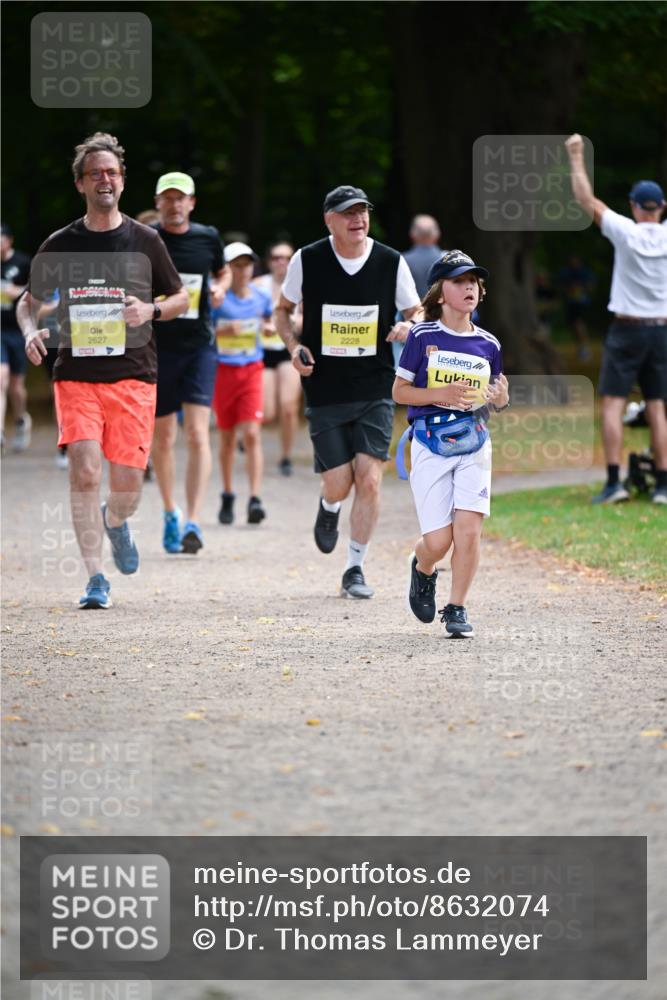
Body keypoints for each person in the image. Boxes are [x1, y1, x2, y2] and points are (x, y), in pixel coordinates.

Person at [17, 132, 188, 609]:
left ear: (122, 181)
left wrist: (150, 312)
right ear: (80, 184)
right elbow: (28, 304)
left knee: (126, 486)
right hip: (75, 375)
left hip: (134, 375)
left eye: (111, 172)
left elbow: (180, 299)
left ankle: (116, 522)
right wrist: (31, 331)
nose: (104, 180)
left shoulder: (145, 240)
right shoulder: (61, 243)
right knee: (86, 472)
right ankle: (95, 578)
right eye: (95, 173)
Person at [274, 184, 422, 599]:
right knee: (339, 483)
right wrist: (293, 347)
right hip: (324, 386)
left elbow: (417, 311)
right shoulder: (308, 259)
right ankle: (330, 505)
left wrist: (411, 326)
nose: (358, 219)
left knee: (370, 480)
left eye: (363, 211)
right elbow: (282, 312)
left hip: (376, 383)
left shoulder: (390, 261)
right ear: (329, 220)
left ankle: (354, 568)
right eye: (347, 213)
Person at [393, 250, 509, 637]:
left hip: (475, 441)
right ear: (440, 293)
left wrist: (501, 398)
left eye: (473, 282)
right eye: (459, 281)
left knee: (469, 530)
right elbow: (400, 392)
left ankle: (457, 607)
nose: (468, 288)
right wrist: (438, 391)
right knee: (439, 542)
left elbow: (494, 397)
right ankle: (423, 567)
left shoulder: (489, 343)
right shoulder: (422, 335)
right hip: (430, 441)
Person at [565, 134, 667, 505]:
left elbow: (585, 201)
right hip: (662, 330)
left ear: (635, 206)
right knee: (657, 406)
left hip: (627, 329)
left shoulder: (626, 231)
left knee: (612, 404)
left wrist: (576, 156)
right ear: (662, 207)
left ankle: (614, 482)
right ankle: (662, 485)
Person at [151, 171, 228, 554]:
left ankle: (194, 521)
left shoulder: (207, 236)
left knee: (198, 433)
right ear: (158, 202)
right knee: (163, 438)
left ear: (192, 203)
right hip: (157, 348)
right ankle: (170, 512)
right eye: (167, 198)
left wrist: (220, 288)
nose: (174, 204)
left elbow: (223, 270)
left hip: (199, 346)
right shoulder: (146, 238)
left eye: (181, 198)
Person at [211, 241, 272, 525]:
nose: (243, 270)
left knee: (251, 434)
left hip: (251, 370)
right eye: (237, 265)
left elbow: (271, 321)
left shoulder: (261, 297)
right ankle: (227, 494)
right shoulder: (217, 299)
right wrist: (222, 329)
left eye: (247, 264)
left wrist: (269, 327)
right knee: (226, 437)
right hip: (223, 371)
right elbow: (204, 331)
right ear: (226, 269)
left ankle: (255, 498)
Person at [253, 241, 302, 476]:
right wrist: (262, 325)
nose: (281, 262)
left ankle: (285, 456)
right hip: (263, 351)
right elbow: (244, 312)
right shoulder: (258, 285)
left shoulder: (300, 286)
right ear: (268, 261)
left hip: (288, 348)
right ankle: (248, 434)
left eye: (286, 257)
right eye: (276, 257)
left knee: (289, 406)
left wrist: (285, 324)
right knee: (267, 411)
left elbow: (306, 319)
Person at [1, 223, 32, 452]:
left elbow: (38, 289)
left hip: (18, 328)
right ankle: (1, 433)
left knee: (15, 386)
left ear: (9, 240)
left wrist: (16, 291)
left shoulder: (23, 262)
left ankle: (21, 420)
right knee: (1, 379)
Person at [558, 254, 595, 360]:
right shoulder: (566, 272)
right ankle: (581, 348)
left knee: (579, 324)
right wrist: (569, 289)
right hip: (571, 303)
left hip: (581, 303)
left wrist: (580, 288)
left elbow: (591, 286)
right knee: (574, 326)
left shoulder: (585, 272)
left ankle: (585, 348)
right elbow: (561, 287)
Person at [402, 214, 443, 298]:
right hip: (443, 311)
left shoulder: (402, 260)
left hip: (413, 310)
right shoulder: (450, 260)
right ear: (437, 234)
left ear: (412, 234)